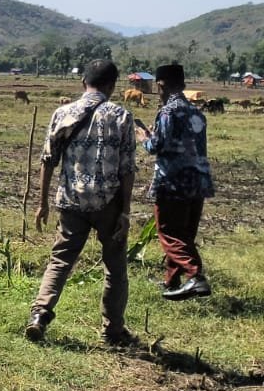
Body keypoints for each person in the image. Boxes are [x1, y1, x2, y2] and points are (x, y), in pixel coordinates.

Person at [26, 60, 138, 346]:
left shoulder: (62, 113)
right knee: (114, 267)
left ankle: (39, 315)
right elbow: (127, 169)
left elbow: (48, 160)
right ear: (112, 86)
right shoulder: (121, 116)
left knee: (60, 260)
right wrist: (125, 212)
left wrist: (42, 203)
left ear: (83, 82)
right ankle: (113, 330)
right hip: (108, 202)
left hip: (71, 200)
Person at [141, 63, 214, 300]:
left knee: (168, 232)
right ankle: (171, 281)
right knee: (184, 234)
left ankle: (195, 276)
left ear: (160, 85)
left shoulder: (168, 112)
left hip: (172, 182)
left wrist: (144, 138)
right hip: (198, 181)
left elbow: (156, 146)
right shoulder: (197, 112)